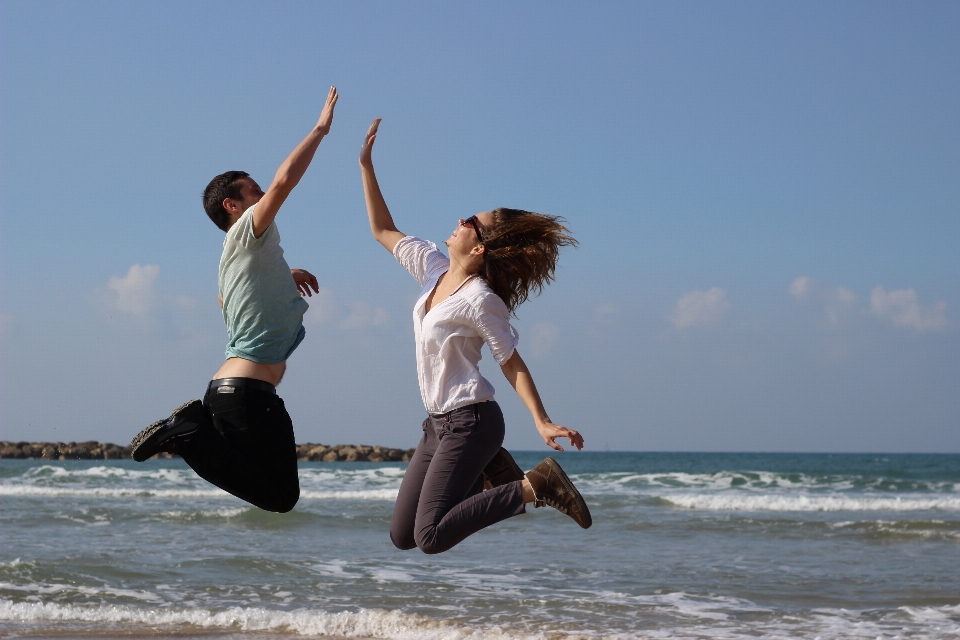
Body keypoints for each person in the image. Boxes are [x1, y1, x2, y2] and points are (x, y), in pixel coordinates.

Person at [359, 118, 592, 555]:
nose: (459, 220)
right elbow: (382, 230)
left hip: (471, 422)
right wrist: (366, 166)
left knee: (429, 538)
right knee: (403, 535)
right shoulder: (433, 269)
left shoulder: (480, 300)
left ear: (479, 246)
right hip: (436, 426)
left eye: (469, 221)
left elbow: (511, 360)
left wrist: (541, 419)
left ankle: (536, 484)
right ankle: (491, 468)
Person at [129, 87, 339, 513]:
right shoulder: (246, 232)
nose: (264, 197)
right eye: (253, 192)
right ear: (233, 205)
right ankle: (188, 433)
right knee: (280, 496)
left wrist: (283, 275)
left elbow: (229, 301)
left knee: (277, 492)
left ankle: (190, 431)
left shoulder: (236, 255)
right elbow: (285, 182)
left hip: (239, 394)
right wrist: (319, 130)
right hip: (246, 395)